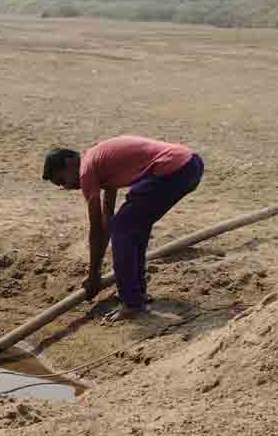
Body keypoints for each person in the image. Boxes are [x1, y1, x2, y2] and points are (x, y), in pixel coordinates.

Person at [42, 135, 204, 321]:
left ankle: (133, 303)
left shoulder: (86, 169)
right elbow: (106, 219)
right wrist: (97, 271)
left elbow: (96, 229)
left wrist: (94, 275)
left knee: (123, 227)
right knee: (132, 227)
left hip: (174, 168)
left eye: (62, 180)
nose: (68, 187)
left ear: (69, 162)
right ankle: (136, 294)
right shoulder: (98, 164)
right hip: (190, 164)